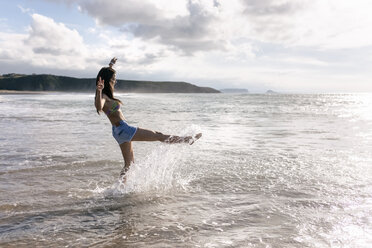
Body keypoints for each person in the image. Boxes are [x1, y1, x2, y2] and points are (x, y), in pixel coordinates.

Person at [95, 58, 202, 180]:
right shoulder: (102, 96)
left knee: (129, 165)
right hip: (124, 129)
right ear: (108, 80)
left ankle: (118, 190)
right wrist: (99, 91)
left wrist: (111, 65)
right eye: (113, 79)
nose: (115, 81)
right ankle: (186, 140)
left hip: (118, 131)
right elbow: (99, 107)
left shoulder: (106, 95)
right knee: (158, 135)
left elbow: (105, 77)